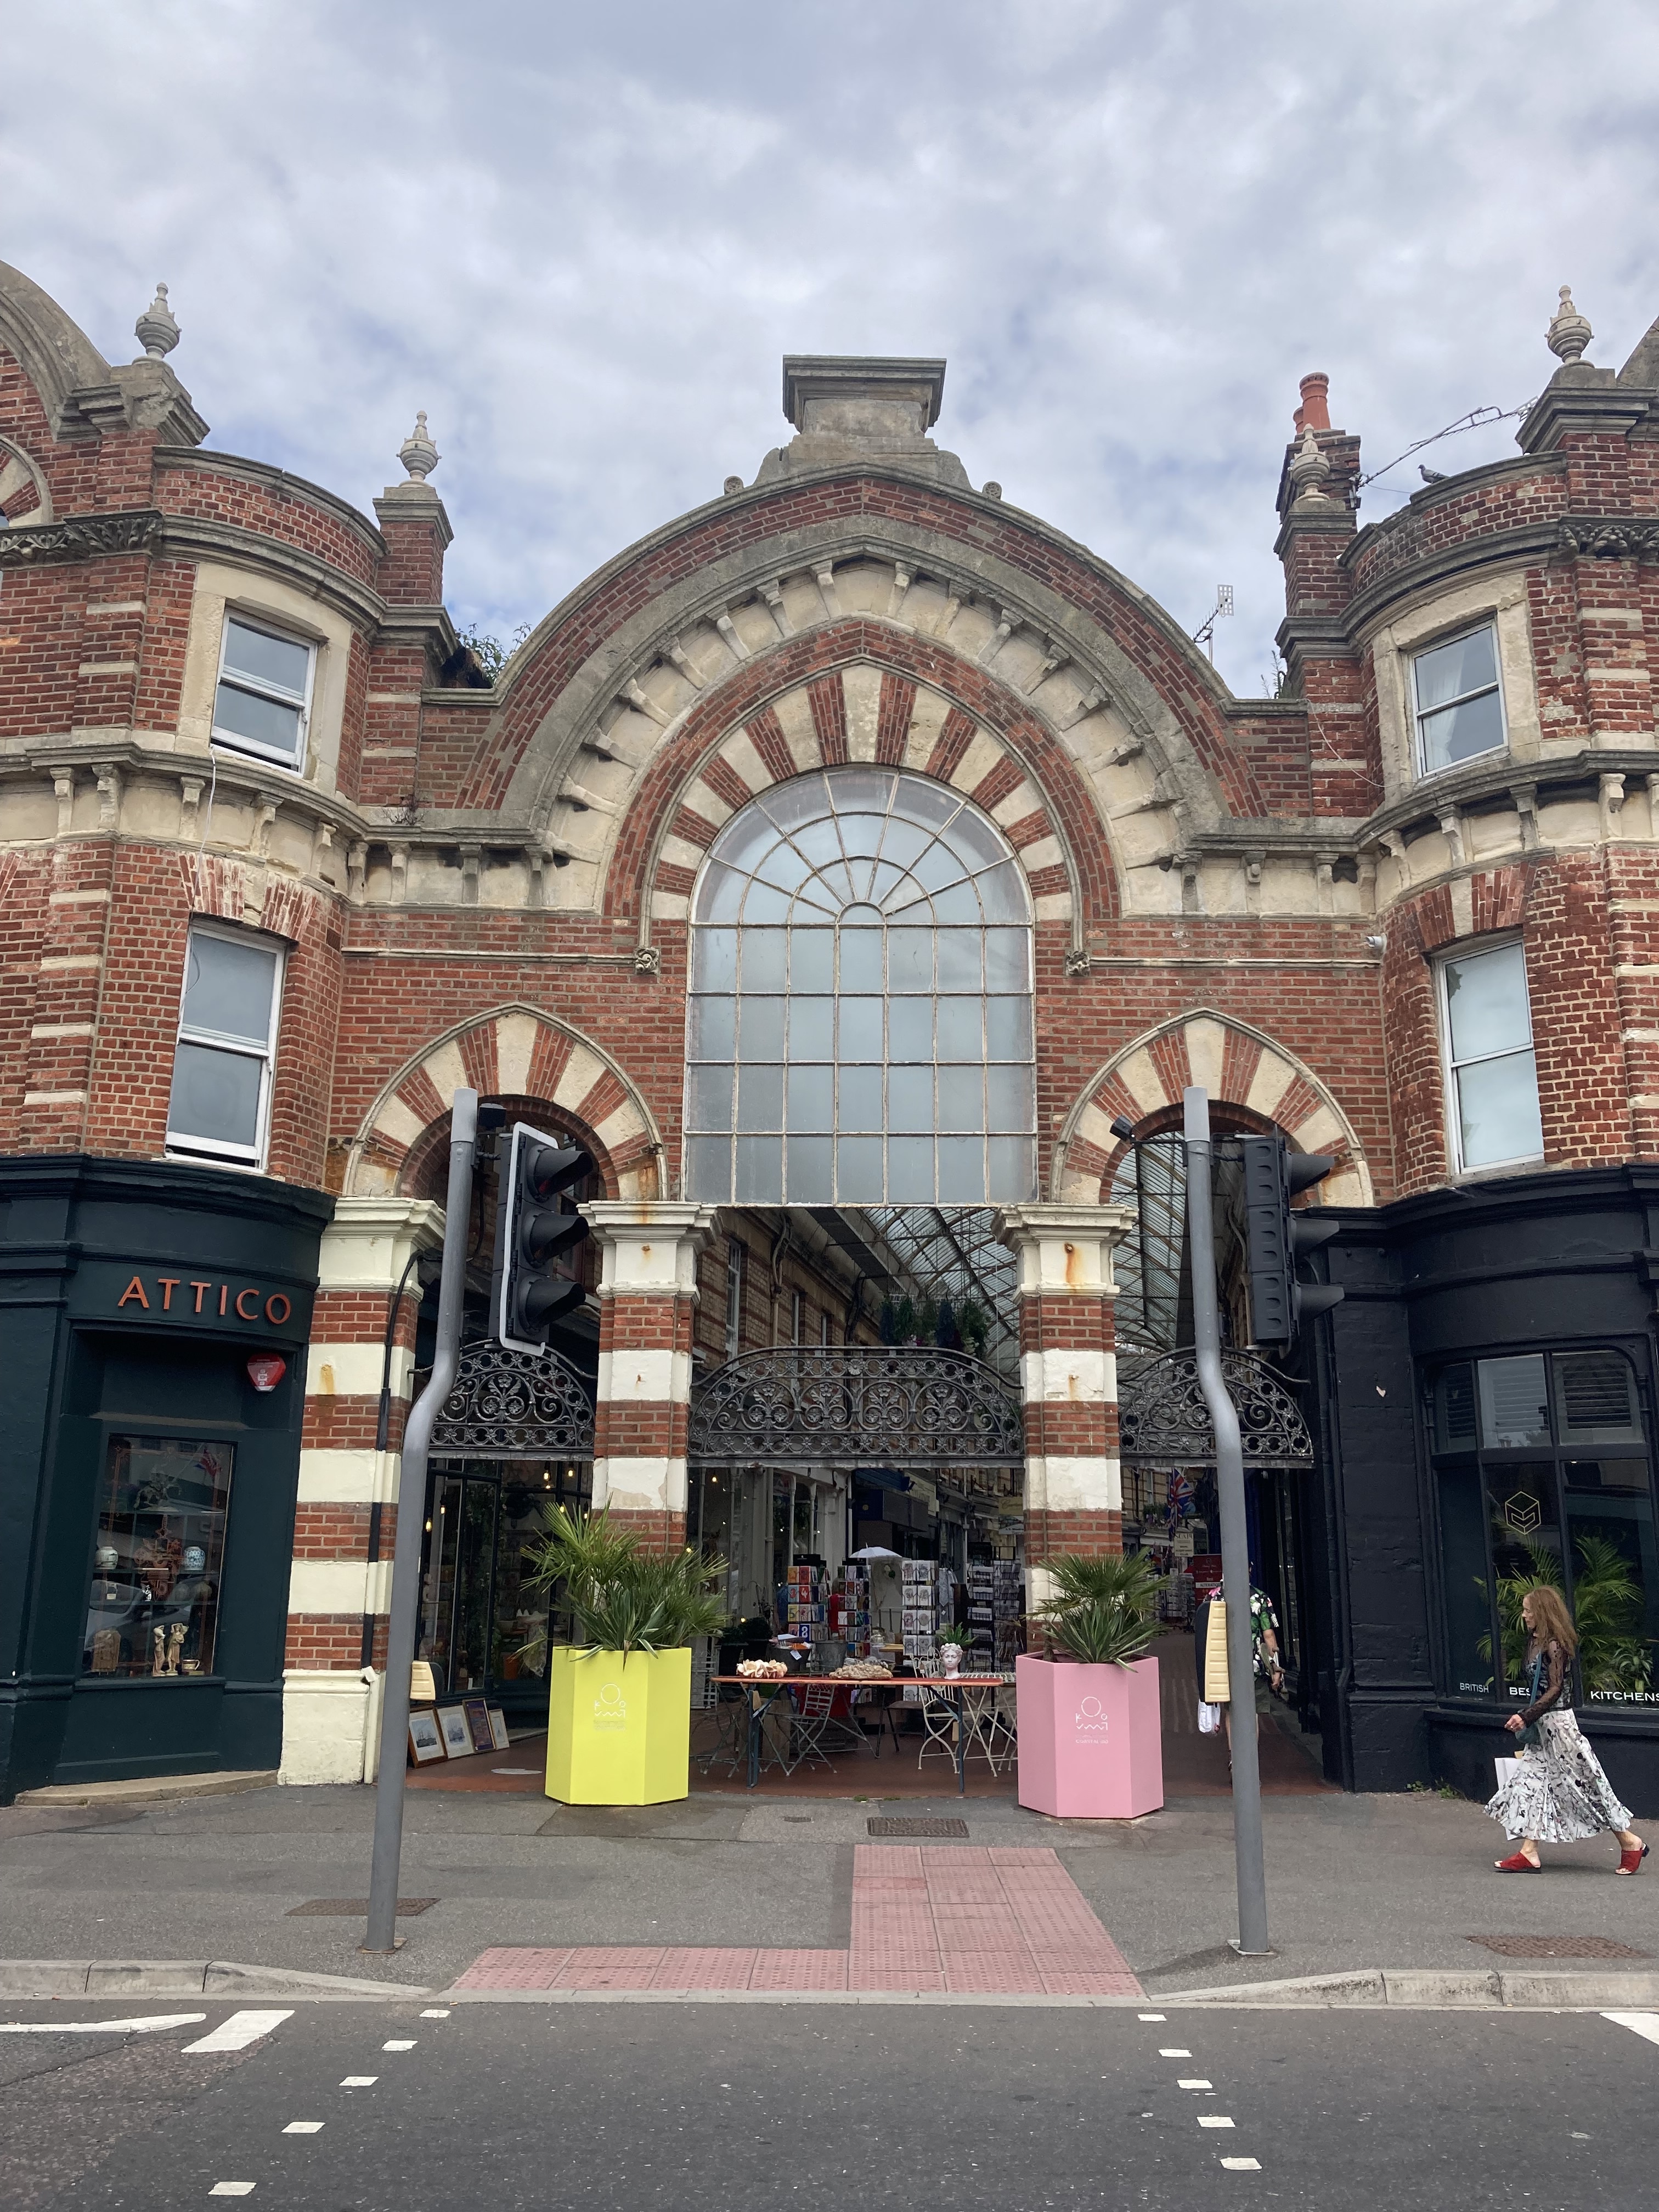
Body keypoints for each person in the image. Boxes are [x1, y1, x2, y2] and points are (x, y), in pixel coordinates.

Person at [1488, 1585, 1646, 1874]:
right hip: (1542, 1728)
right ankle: (1529, 1852)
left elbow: (1557, 1688)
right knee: (1531, 1784)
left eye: (1528, 1610)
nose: (1524, 1616)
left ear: (1543, 1612)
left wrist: (1526, 1716)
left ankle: (1630, 1841)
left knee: (1586, 1786)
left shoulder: (1554, 1645)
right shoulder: (1534, 1641)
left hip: (1560, 1727)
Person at [1194, 1581, 1285, 1756]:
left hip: (1224, 1664)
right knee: (1253, 1713)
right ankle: (1251, 1757)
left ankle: (1233, 1757)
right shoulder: (1260, 1597)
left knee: (1231, 1712)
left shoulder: (1214, 1596)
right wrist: (1275, 1667)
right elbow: (1269, 1635)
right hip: (1255, 1667)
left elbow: (1204, 1632)